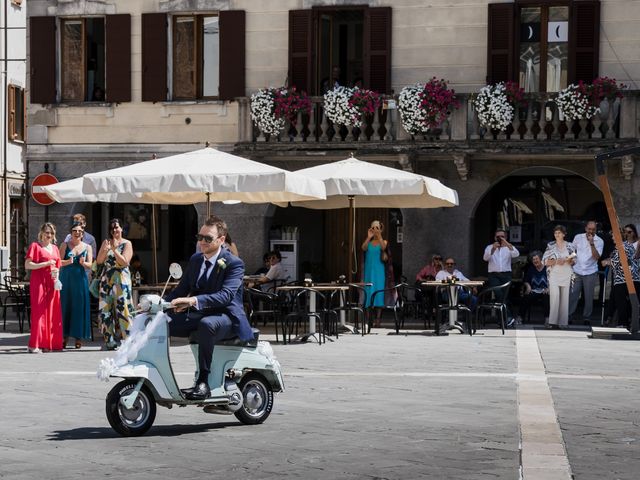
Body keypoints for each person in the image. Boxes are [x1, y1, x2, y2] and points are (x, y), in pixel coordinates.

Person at [165, 215, 254, 401]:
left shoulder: (234, 263)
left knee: (207, 324)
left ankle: (203, 382)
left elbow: (226, 296)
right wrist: (157, 305)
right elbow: (181, 289)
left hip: (227, 317)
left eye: (207, 238)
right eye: (200, 237)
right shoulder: (196, 260)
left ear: (221, 240)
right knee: (163, 323)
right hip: (201, 313)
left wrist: (192, 301)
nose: (202, 242)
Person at [96, 218, 134, 350]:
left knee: (123, 310)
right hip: (107, 279)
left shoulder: (127, 243)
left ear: (122, 228)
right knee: (105, 311)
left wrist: (115, 249)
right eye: (112, 228)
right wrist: (106, 250)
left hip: (121, 280)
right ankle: (109, 340)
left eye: (117, 227)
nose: (114, 230)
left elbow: (124, 262)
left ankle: (128, 340)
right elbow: (99, 261)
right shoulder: (106, 242)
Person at [24, 223, 63, 353]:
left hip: (52, 282)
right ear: (41, 233)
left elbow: (57, 266)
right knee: (39, 313)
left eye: (51, 233)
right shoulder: (35, 246)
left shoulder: (55, 248)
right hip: (39, 282)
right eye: (47, 232)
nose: (49, 235)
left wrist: (57, 277)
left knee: (52, 312)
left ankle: (48, 344)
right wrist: (45, 263)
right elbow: (28, 265)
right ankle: (34, 345)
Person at [59, 223, 93, 349]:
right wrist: (68, 261)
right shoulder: (64, 245)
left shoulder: (87, 247)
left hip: (80, 280)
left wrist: (84, 264)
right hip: (66, 279)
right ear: (71, 233)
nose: (77, 233)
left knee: (78, 307)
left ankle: (78, 337)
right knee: (65, 306)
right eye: (74, 230)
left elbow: (91, 265)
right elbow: (58, 262)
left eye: (80, 231)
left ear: (83, 234)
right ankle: (64, 336)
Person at [568, 221, 604, 325]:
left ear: (596, 230)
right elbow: (572, 250)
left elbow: (596, 257)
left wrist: (592, 243)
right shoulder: (578, 237)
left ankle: (587, 317)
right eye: (589, 229)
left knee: (589, 296)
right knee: (573, 294)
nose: (591, 231)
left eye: (593, 229)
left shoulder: (599, 241)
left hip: (590, 271)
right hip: (577, 269)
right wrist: (571, 259)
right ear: (585, 228)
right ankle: (569, 315)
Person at [542, 225, 577, 329]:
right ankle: (552, 322)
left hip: (566, 273)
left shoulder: (570, 246)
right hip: (554, 274)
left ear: (564, 234)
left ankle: (563, 323)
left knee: (564, 298)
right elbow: (544, 261)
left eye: (559, 233)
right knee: (555, 296)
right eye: (555, 233)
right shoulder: (550, 245)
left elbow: (574, 261)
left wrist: (568, 260)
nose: (557, 235)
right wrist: (557, 261)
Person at [602, 233, 638, 328]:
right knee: (622, 302)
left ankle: (623, 323)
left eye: (614, 235)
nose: (612, 237)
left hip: (623, 279)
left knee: (621, 302)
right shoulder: (625, 246)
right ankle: (623, 322)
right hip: (623, 279)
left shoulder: (623, 246)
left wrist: (607, 262)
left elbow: (623, 262)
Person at [361, 220, 393, 328]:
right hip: (369, 272)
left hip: (379, 272)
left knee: (379, 293)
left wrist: (379, 236)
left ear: (380, 229)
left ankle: (378, 319)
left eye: (377, 228)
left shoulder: (384, 241)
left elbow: (383, 248)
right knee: (369, 292)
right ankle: (369, 319)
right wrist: (368, 236)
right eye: (373, 228)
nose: (375, 230)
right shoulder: (369, 242)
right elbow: (363, 248)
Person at [517, 252, 549, 324]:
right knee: (525, 298)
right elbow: (526, 280)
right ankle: (520, 317)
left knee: (546, 298)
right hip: (534, 290)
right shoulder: (531, 269)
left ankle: (548, 319)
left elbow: (552, 280)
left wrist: (548, 288)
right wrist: (528, 286)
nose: (535, 261)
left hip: (545, 291)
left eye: (536, 259)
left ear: (541, 259)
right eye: (533, 259)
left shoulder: (547, 269)